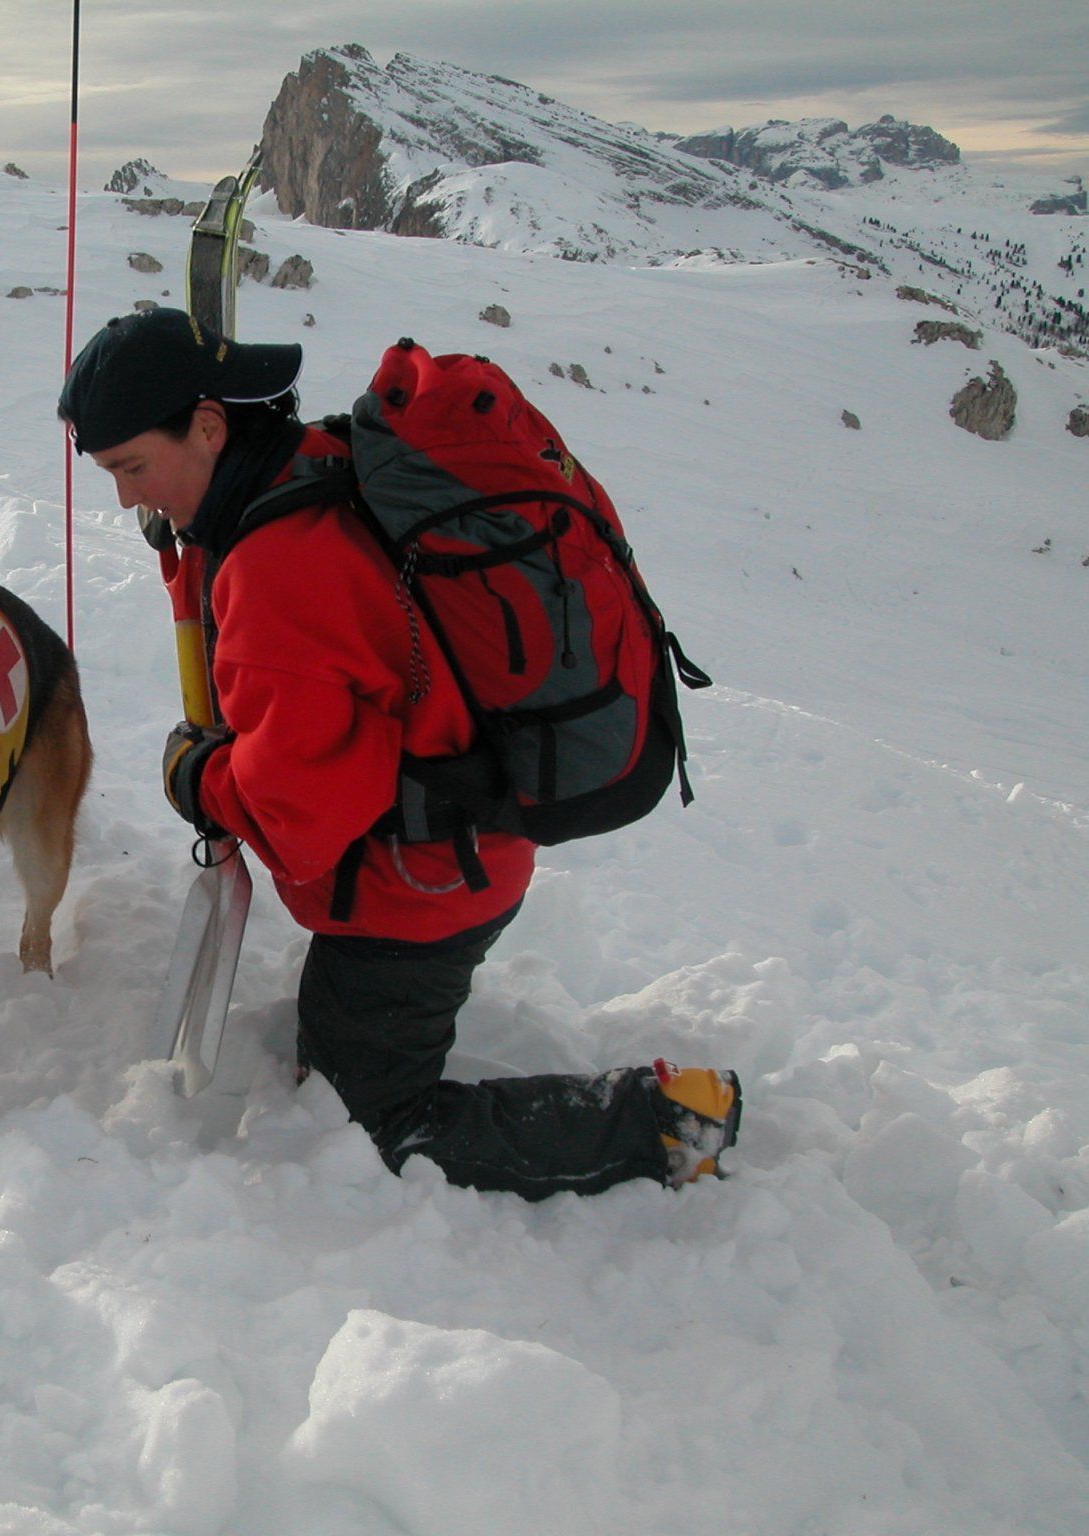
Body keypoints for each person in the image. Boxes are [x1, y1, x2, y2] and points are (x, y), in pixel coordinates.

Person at [59, 307, 739, 1198]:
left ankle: (670, 1122)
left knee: (368, 1129)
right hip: (464, 844)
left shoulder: (276, 576)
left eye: (132, 468)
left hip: (417, 894)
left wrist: (201, 778)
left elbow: (300, 817)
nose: (124, 498)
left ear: (210, 426)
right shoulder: (309, 461)